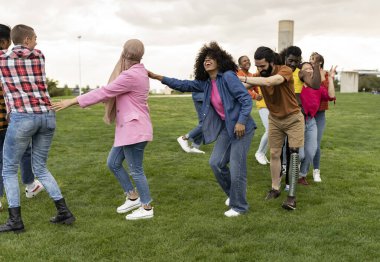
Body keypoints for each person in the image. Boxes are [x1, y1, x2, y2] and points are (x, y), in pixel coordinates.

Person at [149, 42, 256, 217]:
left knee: (237, 168)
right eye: (205, 58)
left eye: (212, 58)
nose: (208, 60)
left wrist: (242, 121)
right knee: (216, 163)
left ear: (219, 61)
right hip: (226, 129)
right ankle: (233, 196)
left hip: (242, 129)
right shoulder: (205, 83)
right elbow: (182, 84)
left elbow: (245, 99)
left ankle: (239, 207)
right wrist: (157, 76)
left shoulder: (228, 76)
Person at [52, 39, 154, 220]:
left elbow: (104, 92)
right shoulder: (139, 71)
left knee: (136, 169)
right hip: (131, 129)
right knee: (113, 163)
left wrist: (72, 101)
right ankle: (132, 196)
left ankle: (146, 208)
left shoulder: (129, 75)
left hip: (134, 130)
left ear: (123, 54)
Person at [0, 24, 75, 233]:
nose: (36, 42)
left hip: (23, 117)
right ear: (26, 41)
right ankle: (64, 212)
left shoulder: (3, 60)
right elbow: (29, 53)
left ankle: (15, 221)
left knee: (8, 169)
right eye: (34, 38)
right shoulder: (39, 56)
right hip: (47, 116)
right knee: (40, 167)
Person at [240, 46, 306, 210]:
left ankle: (291, 197)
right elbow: (242, 89)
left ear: (270, 62)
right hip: (275, 119)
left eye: (262, 66)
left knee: (294, 154)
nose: (259, 69)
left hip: (293, 119)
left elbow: (270, 81)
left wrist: (245, 79)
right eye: (257, 66)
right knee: (275, 153)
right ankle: (275, 188)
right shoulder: (260, 75)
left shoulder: (284, 70)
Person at [0, 24, 45, 212]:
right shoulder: (4, 61)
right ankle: (29, 185)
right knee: (19, 152)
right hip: (6, 120)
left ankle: (28, 185)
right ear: (4, 42)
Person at [307, 52, 337, 182]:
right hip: (306, 113)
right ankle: (301, 171)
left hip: (319, 113)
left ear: (320, 62)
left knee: (316, 144)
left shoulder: (325, 74)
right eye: (310, 59)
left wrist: (330, 78)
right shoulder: (306, 72)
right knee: (304, 143)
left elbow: (331, 95)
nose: (311, 61)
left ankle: (316, 171)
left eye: (313, 60)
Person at [236, 56, 268, 165]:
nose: (247, 62)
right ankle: (257, 153)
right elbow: (240, 89)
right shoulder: (238, 74)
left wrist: (258, 94)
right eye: (245, 61)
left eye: (248, 60)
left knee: (247, 129)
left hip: (246, 105)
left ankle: (243, 154)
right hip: (238, 105)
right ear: (240, 64)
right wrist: (255, 95)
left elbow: (255, 87)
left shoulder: (251, 75)